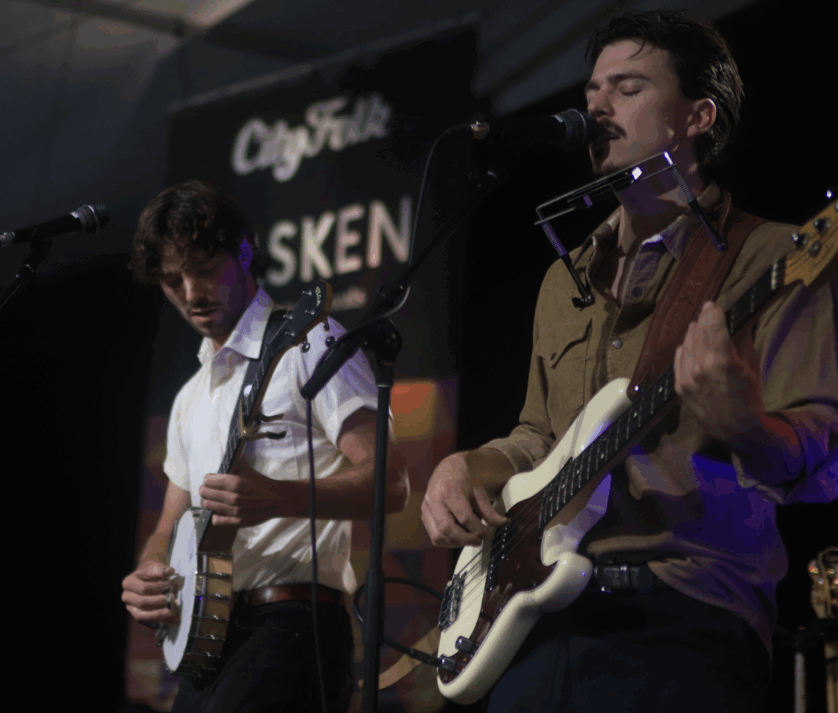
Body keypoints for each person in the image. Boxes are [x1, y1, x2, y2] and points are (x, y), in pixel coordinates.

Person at [421, 10, 838, 712]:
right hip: (538, 620)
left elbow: (822, 461)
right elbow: (539, 438)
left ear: (698, 116)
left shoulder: (771, 256)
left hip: (681, 616)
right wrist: (467, 466)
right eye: (592, 89)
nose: (596, 105)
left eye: (628, 87)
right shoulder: (565, 278)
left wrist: (744, 426)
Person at [122, 180, 409, 712]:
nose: (191, 293)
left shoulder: (310, 341)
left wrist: (278, 497)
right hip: (205, 641)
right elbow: (169, 526)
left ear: (244, 251)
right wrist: (150, 575)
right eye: (171, 280)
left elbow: (391, 482)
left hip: (292, 627)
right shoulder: (189, 396)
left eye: (204, 269)